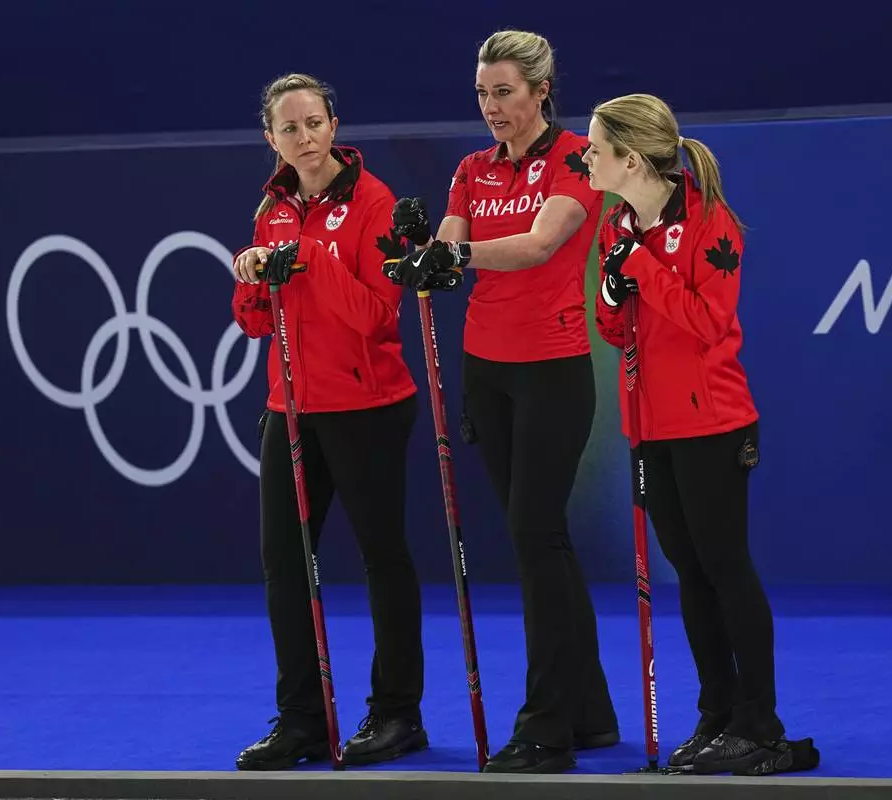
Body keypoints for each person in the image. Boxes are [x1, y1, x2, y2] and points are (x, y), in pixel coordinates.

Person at [389, 29, 619, 774]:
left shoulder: (576, 156)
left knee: (534, 536)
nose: (493, 108)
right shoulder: (471, 168)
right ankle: (590, 715)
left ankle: (546, 727)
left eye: (506, 93)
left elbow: (538, 245)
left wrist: (452, 256)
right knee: (541, 544)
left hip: (553, 369)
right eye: (483, 94)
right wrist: (426, 255)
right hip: (487, 370)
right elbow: (450, 250)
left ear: (541, 91)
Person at [585, 93, 817, 776]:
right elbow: (617, 329)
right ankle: (717, 714)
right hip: (649, 423)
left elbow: (706, 323)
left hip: (712, 420)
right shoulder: (617, 223)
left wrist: (641, 269)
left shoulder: (712, 222)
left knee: (725, 567)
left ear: (630, 157)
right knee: (687, 570)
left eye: (596, 148)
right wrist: (611, 292)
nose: (587, 157)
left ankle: (760, 723)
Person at [230, 73, 429, 771]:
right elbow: (254, 320)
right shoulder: (272, 206)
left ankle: (398, 713)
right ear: (272, 140)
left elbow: (380, 315)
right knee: (284, 566)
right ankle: (303, 720)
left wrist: (311, 260)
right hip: (290, 409)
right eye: (290, 129)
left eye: (314, 123)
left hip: (368, 406)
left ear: (334, 126)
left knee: (383, 557)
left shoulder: (370, 202)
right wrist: (252, 275)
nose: (304, 139)